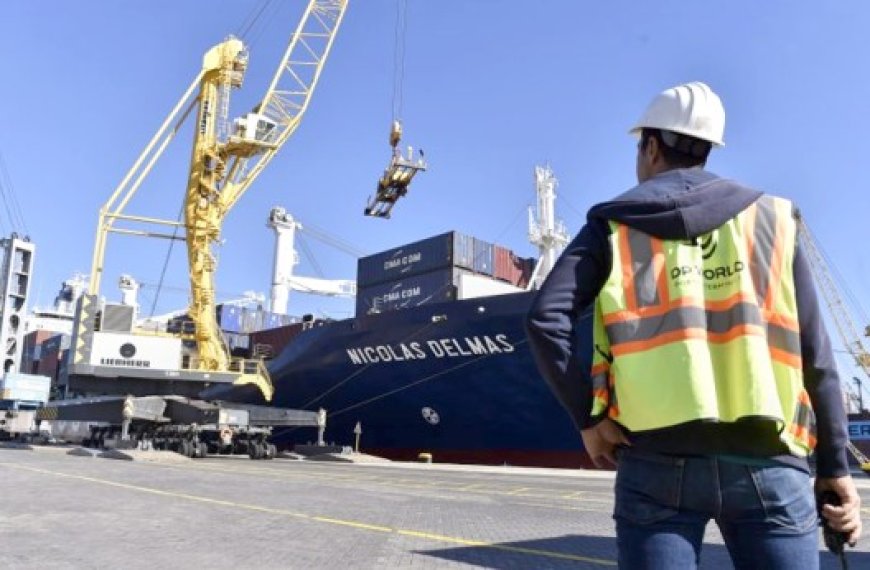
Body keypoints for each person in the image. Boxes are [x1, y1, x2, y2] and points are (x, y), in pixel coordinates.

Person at [525, 81, 862, 569]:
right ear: (706, 150)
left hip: (655, 459)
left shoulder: (613, 225)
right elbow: (817, 354)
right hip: (770, 460)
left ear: (652, 146)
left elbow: (544, 319)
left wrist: (589, 417)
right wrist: (835, 467)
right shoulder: (773, 218)